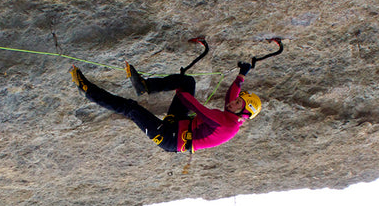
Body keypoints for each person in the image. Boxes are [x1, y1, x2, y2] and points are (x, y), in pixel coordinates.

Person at [70, 41, 262, 153]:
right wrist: (241, 75)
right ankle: (145, 86)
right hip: (179, 124)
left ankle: (88, 90)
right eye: (239, 100)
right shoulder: (233, 115)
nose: (233, 102)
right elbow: (231, 95)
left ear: (243, 113)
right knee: (188, 82)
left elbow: (196, 107)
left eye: (238, 103)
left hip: (169, 138)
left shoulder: (226, 124)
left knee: (131, 108)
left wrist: (180, 93)